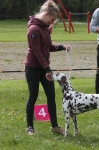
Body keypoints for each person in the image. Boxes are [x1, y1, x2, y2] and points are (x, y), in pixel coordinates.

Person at [24, 0, 70, 135]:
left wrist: (62, 47)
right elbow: (36, 51)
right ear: (45, 14)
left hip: (44, 67)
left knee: (51, 95)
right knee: (33, 96)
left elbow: (48, 47)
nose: (53, 22)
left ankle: (55, 126)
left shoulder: (45, 29)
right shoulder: (33, 29)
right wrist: (47, 69)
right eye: (52, 19)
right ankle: (29, 127)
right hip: (32, 68)